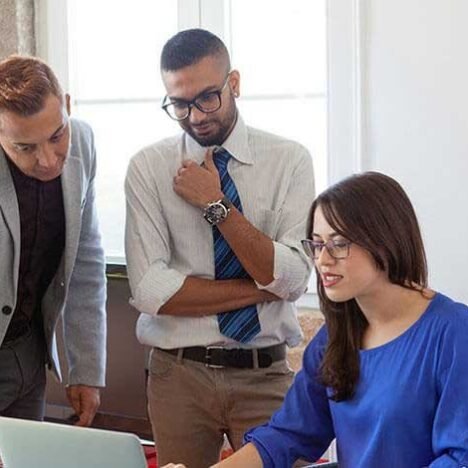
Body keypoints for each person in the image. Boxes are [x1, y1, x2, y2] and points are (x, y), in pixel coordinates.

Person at [162, 171, 468, 467]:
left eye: (338, 244)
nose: (322, 260)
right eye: (317, 244)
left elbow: (460, 457)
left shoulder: (453, 332)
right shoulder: (335, 338)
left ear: (384, 242)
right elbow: (288, 435)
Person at [125, 29, 315, 467]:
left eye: (208, 97)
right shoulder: (149, 168)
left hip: (264, 372)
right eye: (179, 104)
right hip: (179, 375)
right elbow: (153, 293)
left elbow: (295, 276)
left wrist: (216, 205)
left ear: (234, 83)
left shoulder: (290, 160)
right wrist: (264, 287)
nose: (195, 116)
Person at [0, 55, 107, 426]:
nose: (47, 160)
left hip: (28, 353)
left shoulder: (84, 142)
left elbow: (86, 263)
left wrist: (86, 369)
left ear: (68, 106)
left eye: (56, 135)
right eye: (25, 148)